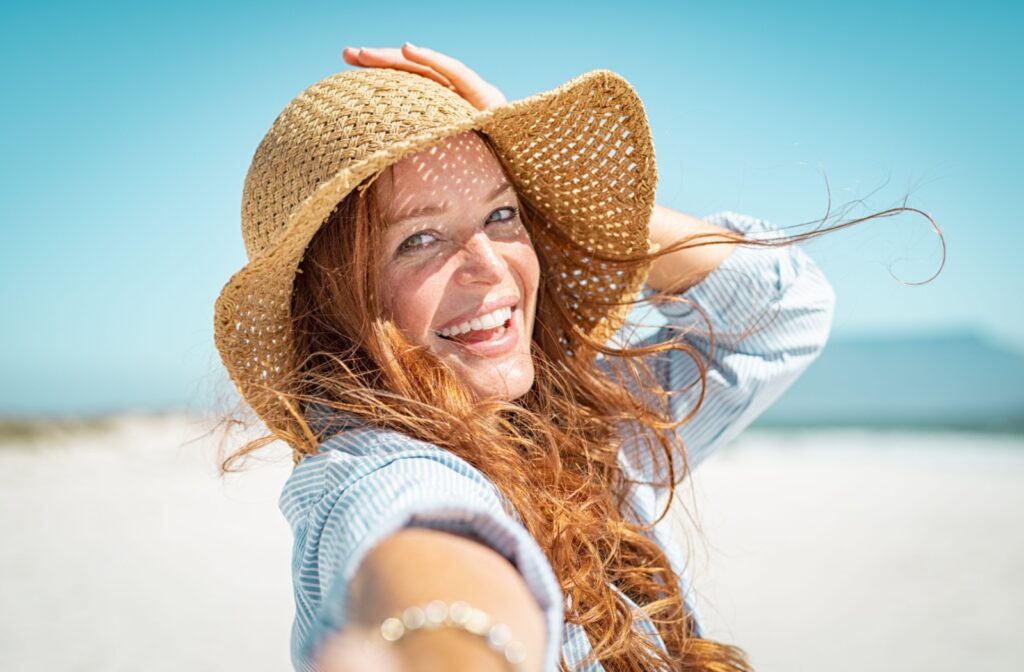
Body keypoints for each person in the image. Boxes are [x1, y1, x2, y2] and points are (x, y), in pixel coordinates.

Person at [214, 44, 875, 672]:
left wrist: (557, 188)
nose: (489, 267)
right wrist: (452, 642)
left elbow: (784, 313)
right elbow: (423, 541)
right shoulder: (369, 467)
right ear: (334, 298)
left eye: (503, 215)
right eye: (419, 238)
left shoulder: (579, 430)